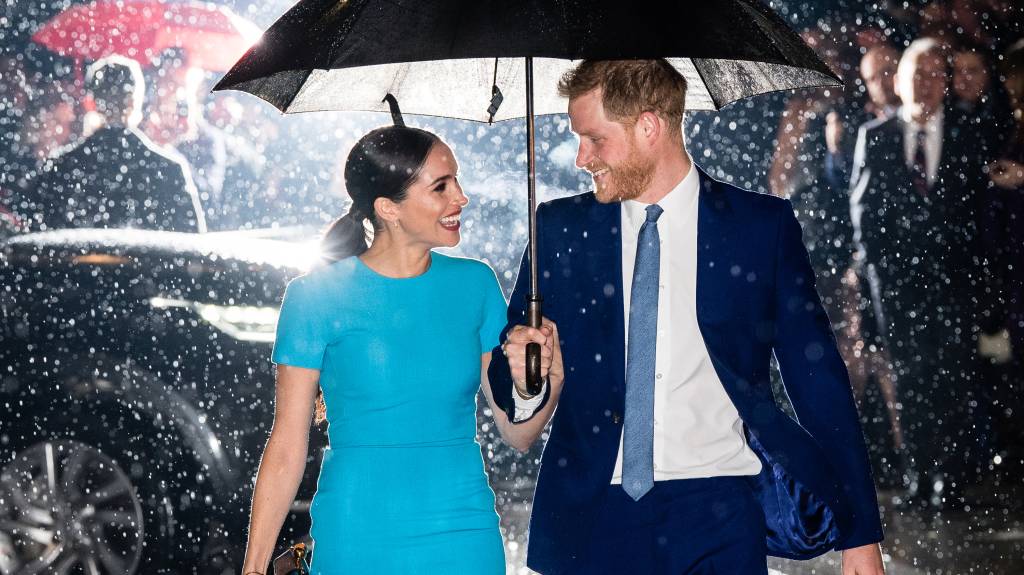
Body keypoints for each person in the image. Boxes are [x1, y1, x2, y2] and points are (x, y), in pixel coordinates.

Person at [489, 59, 885, 575]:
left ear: (649, 127)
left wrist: (861, 534)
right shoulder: (560, 229)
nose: (581, 157)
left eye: (594, 139)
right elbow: (510, 372)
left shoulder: (759, 228)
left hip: (721, 510)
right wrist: (524, 380)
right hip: (591, 513)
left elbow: (819, 381)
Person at [239, 125, 562, 574]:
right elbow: (288, 444)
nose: (461, 198)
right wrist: (253, 568)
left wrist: (539, 385)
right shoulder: (314, 297)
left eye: (458, 181)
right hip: (356, 534)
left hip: (464, 534)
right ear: (388, 208)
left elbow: (518, 435)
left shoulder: (476, 284)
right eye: (441, 187)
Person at [849, 38, 990, 508]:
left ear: (946, 83)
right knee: (908, 382)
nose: (926, 84)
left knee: (953, 379)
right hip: (897, 287)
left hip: (955, 283)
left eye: (936, 74)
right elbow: (863, 218)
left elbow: (981, 215)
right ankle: (918, 476)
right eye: (918, 73)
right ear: (900, 80)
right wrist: (876, 284)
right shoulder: (876, 134)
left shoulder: (969, 133)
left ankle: (949, 479)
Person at [24, 56, 204, 233]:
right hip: (146, 262)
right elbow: (192, 244)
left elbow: (38, 238)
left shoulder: (61, 167)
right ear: (135, 101)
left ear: (92, 103)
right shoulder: (167, 169)